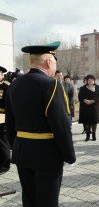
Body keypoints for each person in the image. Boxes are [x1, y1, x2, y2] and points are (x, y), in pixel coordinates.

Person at [5, 41, 76, 207]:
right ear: (49, 62)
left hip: (23, 152)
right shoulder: (51, 85)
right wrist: (69, 155)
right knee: (47, 202)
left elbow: (10, 121)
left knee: (29, 200)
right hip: (47, 154)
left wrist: (16, 147)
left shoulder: (14, 85)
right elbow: (60, 125)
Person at [78, 74, 99, 141]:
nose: (91, 81)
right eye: (89, 80)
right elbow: (80, 97)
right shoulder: (82, 88)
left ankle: (94, 135)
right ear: (87, 80)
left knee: (94, 122)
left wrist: (93, 101)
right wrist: (85, 100)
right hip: (85, 108)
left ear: (94, 80)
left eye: (92, 80)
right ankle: (87, 136)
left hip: (94, 107)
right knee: (86, 123)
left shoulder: (97, 87)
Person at [0, 66, 10, 174]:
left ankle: (4, 165)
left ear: (2, 74)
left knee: (3, 142)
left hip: (2, 116)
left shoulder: (7, 86)